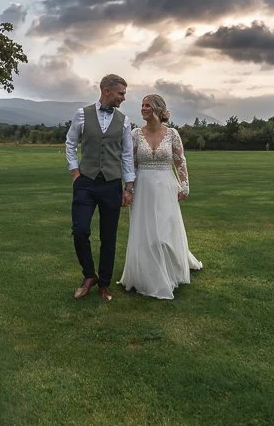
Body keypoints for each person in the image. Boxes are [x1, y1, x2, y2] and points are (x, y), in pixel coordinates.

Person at [118, 94, 202, 300]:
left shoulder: (172, 134)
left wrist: (185, 185)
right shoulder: (136, 134)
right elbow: (131, 164)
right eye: (142, 105)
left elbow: (180, 161)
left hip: (166, 185)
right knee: (146, 231)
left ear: (157, 108)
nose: (143, 109)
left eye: (147, 105)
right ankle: (148, 275)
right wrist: (128, 188)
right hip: (143, 186)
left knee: (165, 230)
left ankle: (171, 268)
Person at [65, 74, 135, 302]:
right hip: (85, 182)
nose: (123, 98)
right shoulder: (81, 114)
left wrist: (129, 186)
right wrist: (75, 172)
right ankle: (89, 275)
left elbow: (126, 154)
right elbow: (70, 142)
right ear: (106, 90)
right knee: (80, 230)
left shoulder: (124, 120)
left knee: (109, 236)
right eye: (121, 93)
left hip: (112, 183)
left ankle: (104, 284)